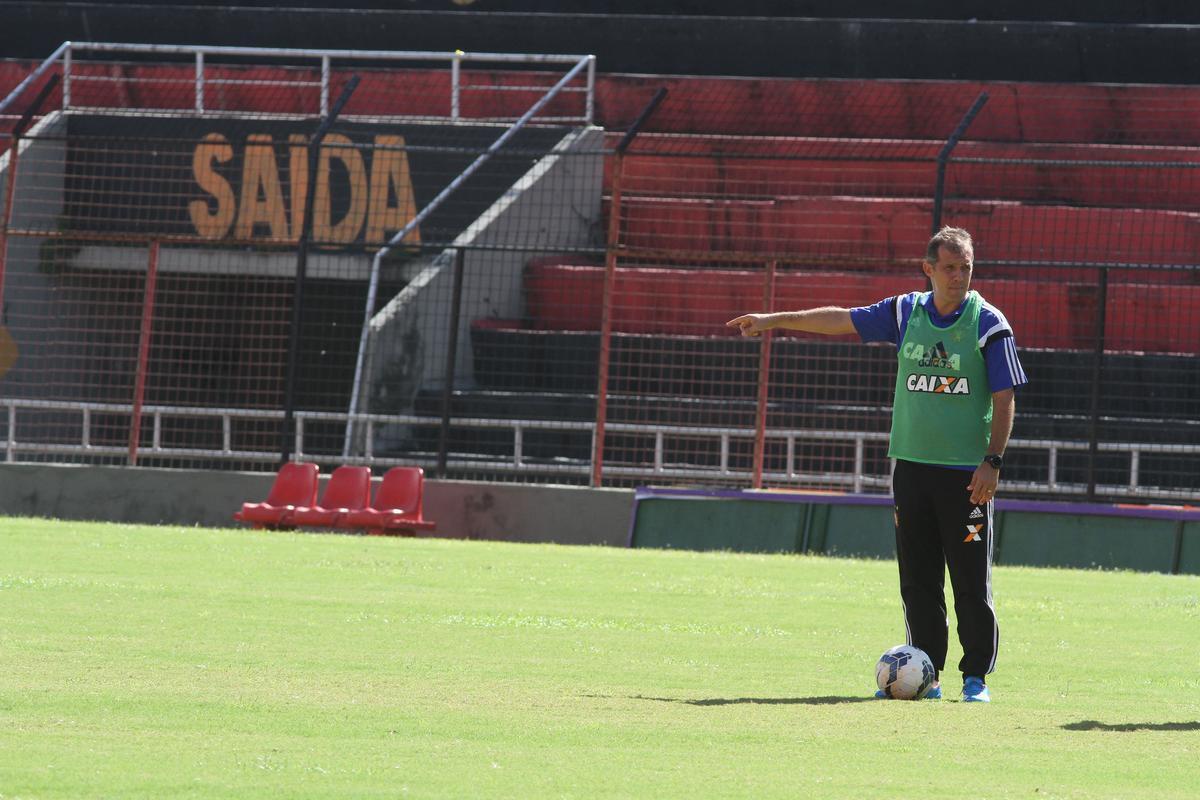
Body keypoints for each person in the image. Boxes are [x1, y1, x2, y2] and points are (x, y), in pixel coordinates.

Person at [726, 226, 1027, 703]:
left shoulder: (988, 323)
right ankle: (926, 674)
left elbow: (1005, 396)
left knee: (970, 581)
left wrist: (992, 461)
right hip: (911, 468)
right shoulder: (906, 311)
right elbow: (841, 320)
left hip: (966, 475)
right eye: (949, 267)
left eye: (965, 267)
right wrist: (775, 319)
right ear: (928, 269)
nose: (958, 276)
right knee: (918, 579)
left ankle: (976, 679)